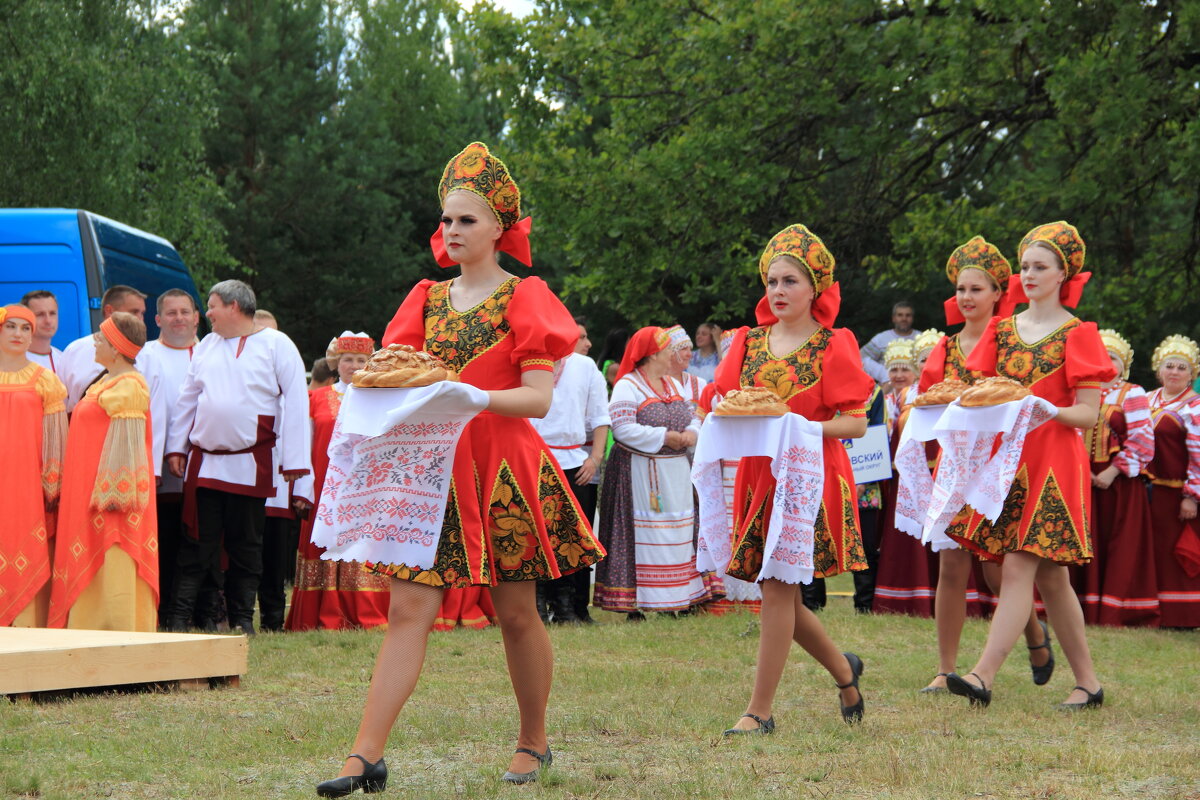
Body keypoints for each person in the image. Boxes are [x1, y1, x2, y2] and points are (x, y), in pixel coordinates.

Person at [315, 142, 605, 796]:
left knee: (518, 615)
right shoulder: (425, 299)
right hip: (432, 473)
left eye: (467, 220)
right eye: (446, 220)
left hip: (504, 469)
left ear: (500, 227)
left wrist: (473, 396)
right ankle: (364, 756)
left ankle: (534, 740)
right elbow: (395, 376)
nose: (452, 231)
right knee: (409, 610)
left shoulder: (525, 298)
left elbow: (538, 398)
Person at [944, 222, 1113, 710]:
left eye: (1041, 266)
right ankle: (1088, 683)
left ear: (1064, 273)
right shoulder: (1002, 330)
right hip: (1009, 464)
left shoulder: (1078, 334)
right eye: (1026, 267)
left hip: (1056, 464)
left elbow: (1088, 413)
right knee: (1052, 580)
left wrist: (1046, 409)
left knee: (1018, 567)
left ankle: (982, 674)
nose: (1030, 274)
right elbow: (980, 393)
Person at [714, 223, 873, 734]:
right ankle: (845, 672)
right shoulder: (746, 343)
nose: (777, 291)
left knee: (779, 587)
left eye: (790, 282)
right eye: (772, 281)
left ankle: (759, 711)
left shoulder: (834, 344)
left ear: (815, 289)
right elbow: (720, 402)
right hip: (759, 475)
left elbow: (855, 421)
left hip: (810, 475)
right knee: (776, 589)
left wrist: (800, 428)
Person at [914, 237, 1049, 693]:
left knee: (998, 569)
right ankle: (945, 667)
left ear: (998, 293)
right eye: (961, 290)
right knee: (951, 566)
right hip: (955, 465)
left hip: (1002, 465)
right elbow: (925, 405)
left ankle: (1033, 633)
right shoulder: (945, 349)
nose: (966, 298)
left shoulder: (1012, 341)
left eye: (977, 289)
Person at [163, 279, 311, 636]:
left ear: (233, 305)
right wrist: (176, 447)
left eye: (212, 305)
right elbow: (188, 399)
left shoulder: (277, 345)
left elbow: (296, 401)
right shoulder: (207, 347)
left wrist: (294, 462)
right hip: (207, 462)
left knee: (246, 544)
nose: (207, 313)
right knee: (197, 542)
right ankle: (180, 619)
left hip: (251, 462)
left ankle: (244, 620)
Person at [593, 326, 715, 618]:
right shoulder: (628, 385)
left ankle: (674, 598)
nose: (670, 355)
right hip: (640, 471)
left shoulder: (672, 385)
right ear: (651, 355)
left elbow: (693, 415)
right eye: (665, 350)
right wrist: (664, 436)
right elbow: (622, 429)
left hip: (674, 471)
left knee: (677, 531)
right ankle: (640, 602)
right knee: (645, 534)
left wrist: (691, 433)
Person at [48, 312, 157, 630]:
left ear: (117, 346)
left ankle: (114, 625)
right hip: (85, 488)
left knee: (112, 551)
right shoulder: (108, 382)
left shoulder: (130, 387)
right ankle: (87, 624)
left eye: (101, 338)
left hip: (110, 498)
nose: (94, 341)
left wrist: (113, 496)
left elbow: (128, 454)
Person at [286, 332, 392, 632]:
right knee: (326, 540)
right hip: (324, 486)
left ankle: (366, 608)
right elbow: (304, 442)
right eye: (348, 359)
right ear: (336, 362)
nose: (354, 365)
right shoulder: (316, 397)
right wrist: (302, 486)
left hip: (367, 486)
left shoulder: (381, 398)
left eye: (361, 359)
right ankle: (323, 610)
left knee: (365, 543)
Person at [1072, 329, 1157, 626]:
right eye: (1102, 355)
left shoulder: (1131, 393)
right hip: (1080, 479)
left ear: (1123, 365)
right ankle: (1078, 607)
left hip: (1118, 483)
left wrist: (1111, 471)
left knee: (1117, 545)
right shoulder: (1080, 391)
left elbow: (1142, 439)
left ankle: (1113, 611)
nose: (1107, 362)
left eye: (1113, 357)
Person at [529, 317, 611, 624]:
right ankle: (537, 604)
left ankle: (569, 607)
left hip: (575, 461)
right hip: (533, 458)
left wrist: (595, 458)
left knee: (574, 535)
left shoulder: (584, 366)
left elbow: (600, 416)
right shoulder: (529, 360)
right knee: (538, 534)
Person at [0, 305, 67, 627]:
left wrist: (53, 484)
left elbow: (56, 440)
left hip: (26, 483)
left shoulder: (46, 381)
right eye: (10, 327)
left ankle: (28, 623)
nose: (18, 334)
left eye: (25, 328)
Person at [138, 288, 201, 622]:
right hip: (157, 470)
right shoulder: (145, 356)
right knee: (162, 540)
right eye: (171, 313)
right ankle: (159, 609)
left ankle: (195, 610)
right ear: (158, 319)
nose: (179, 318)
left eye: (185, 312)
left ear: (196, 317)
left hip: (203, 467)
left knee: (197, 542)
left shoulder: (209, 353)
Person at [873, 338, 939, 616]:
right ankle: (904, 597)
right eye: (922, 360)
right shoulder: (904, 396)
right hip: (907, 475)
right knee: (907, 539)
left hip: (940, 473)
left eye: (931, 359)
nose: (926, 365)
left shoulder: (951, 392)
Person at [1144, 334, 1200, 628]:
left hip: (1176, 493)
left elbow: (1199, 454)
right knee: (1148, 549)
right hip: (1143, 491)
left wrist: (1192, 494)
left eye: (1182, 367)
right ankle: (1149, 608)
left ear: (1192, 374)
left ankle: (1181, 616)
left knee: (1173, 553)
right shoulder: (1145, 399)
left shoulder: (1195, 406)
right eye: (1170, 366)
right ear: (1159, 369)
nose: (1175, 372)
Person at [60, 285, 147, 412]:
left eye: (142, 313)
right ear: (109, 311)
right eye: (134, 312)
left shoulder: (147, 354)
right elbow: (61, 404)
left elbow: (154, 411)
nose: (140, 318)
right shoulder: (75, 350)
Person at [859, 300, 916, 385]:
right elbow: (860, 358)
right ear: (894, 318)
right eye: (900, 315)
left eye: (908, 315)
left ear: (912, 318)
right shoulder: (881, 339)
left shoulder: (922, 339)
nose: (904, 318)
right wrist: (883, 375)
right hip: (887, 390)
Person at [663, 324, 707, 410]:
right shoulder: (655, 382)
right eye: (683, 349)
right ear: (669, 352)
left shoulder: (700, 383)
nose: (689, 354)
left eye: (690, 349)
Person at [20, 290, 63, 374]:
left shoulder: (63, 359)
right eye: (40, 314)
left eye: (52, 313)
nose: (48, 321)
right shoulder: (11, 361)